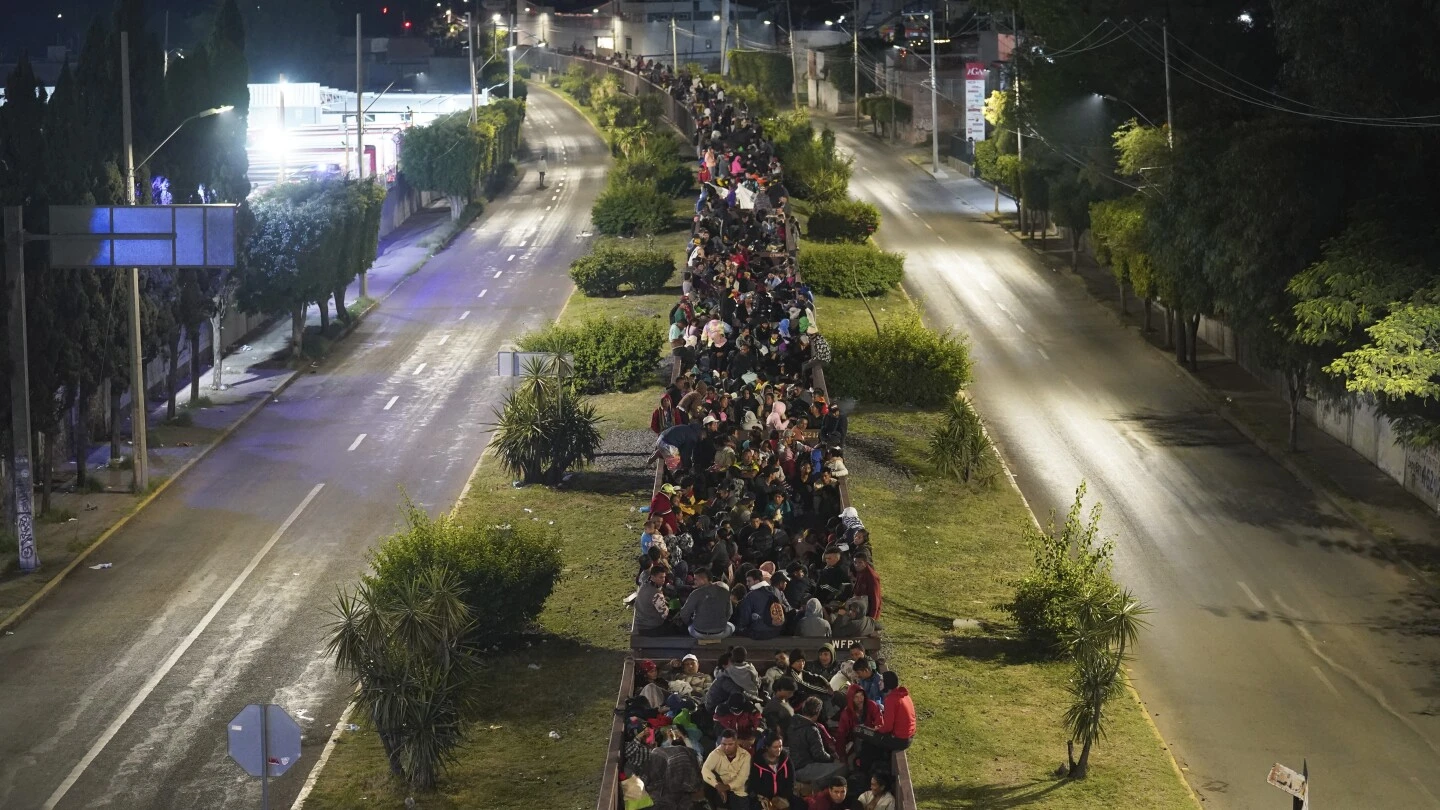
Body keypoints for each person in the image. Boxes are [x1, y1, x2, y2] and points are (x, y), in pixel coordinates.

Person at [856, 671, 916, 772]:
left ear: (887, 683)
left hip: (899, 740)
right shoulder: (904, 694)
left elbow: (887, 727)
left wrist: (877, 729)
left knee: (859, 730)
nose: (879, 683)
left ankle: (862, 768)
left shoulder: (891, 700)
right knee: (871, 738)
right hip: (909, 737)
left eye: (882, 681)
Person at [787, 696, 844, 787]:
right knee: (843, 768)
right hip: (805, 768)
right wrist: (833, 759)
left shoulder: (793, 723)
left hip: (793, 766)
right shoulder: (811, 729)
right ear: (817, 712)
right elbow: (819, 754)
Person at [678, 565, 735, 638]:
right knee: (731, 626)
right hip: (720, 632)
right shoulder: (725, 592)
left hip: (699, 632)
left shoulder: (696, 593)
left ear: (704, 579)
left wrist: (690, 622)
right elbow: (730, 612)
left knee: (690, 627)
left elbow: (684, 614)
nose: (694, 581)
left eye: (696, 579)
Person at [702, 729, 752, 810]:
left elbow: (742, 779)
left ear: (736, 743)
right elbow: (705, 769)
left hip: (738, 790)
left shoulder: (745, 755)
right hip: (721, 786)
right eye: (723, 744)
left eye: (730, 744)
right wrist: (717, 785)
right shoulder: (716, 753)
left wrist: (726, 787)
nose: (726, 747)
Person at [835, 683, 882, 761]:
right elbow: (841, 734)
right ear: (851, 699)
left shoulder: (871, 705)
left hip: (872, 736)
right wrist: (841, 754)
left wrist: (876, 729)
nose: (860, 699)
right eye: (856, 697)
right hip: (855, 740)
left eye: (861, 695)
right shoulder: (846, 714)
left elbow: (879, 721)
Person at [748, 735, 795, 810]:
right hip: (764, 797)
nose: (779, 749)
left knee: (799, 804)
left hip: (782, 796)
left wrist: (784, 796)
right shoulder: (758, 762)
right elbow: (754, 783)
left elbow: (791, 780)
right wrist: (767, 798)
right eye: (775, 747)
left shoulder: (786, 760)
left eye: (780, 746)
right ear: (767, 747)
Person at [634, 564, 672, 636]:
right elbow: (665, 615)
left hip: (640, 624)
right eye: (660, 577)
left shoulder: (644, 586)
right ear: (652, 577)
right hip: (651, 627)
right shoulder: (656, 593)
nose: (663, 580)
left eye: (664, 577)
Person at [764, 676, 797, 740]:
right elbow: (775, 729)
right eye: (789, 692)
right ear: (781, 689)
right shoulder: (772, 706)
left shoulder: (785, 700)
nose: (792, 695)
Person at [851, 554, 882, 619]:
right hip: (860, 607)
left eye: (860, 562)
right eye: (855, 562)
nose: (857, 565)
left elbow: (875, 599)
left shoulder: (872, 577)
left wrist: (872, 619)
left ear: (865, 563)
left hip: (867, 612)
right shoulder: (861, 571)